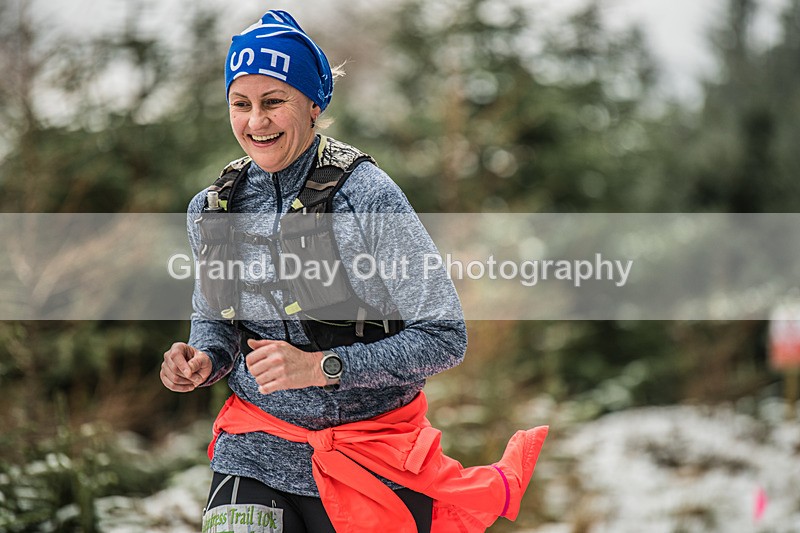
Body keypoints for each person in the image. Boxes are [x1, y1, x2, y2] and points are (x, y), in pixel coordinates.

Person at [160, 10, 547, 533]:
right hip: (254, 447)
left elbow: (444, 337)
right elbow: (216, 321)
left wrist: (323, 367)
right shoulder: (213, 210)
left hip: (373, 452)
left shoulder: (367, 197)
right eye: (241, 103)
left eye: (274, 102)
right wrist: (202, 357)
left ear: (314, 105)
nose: (256, 122)